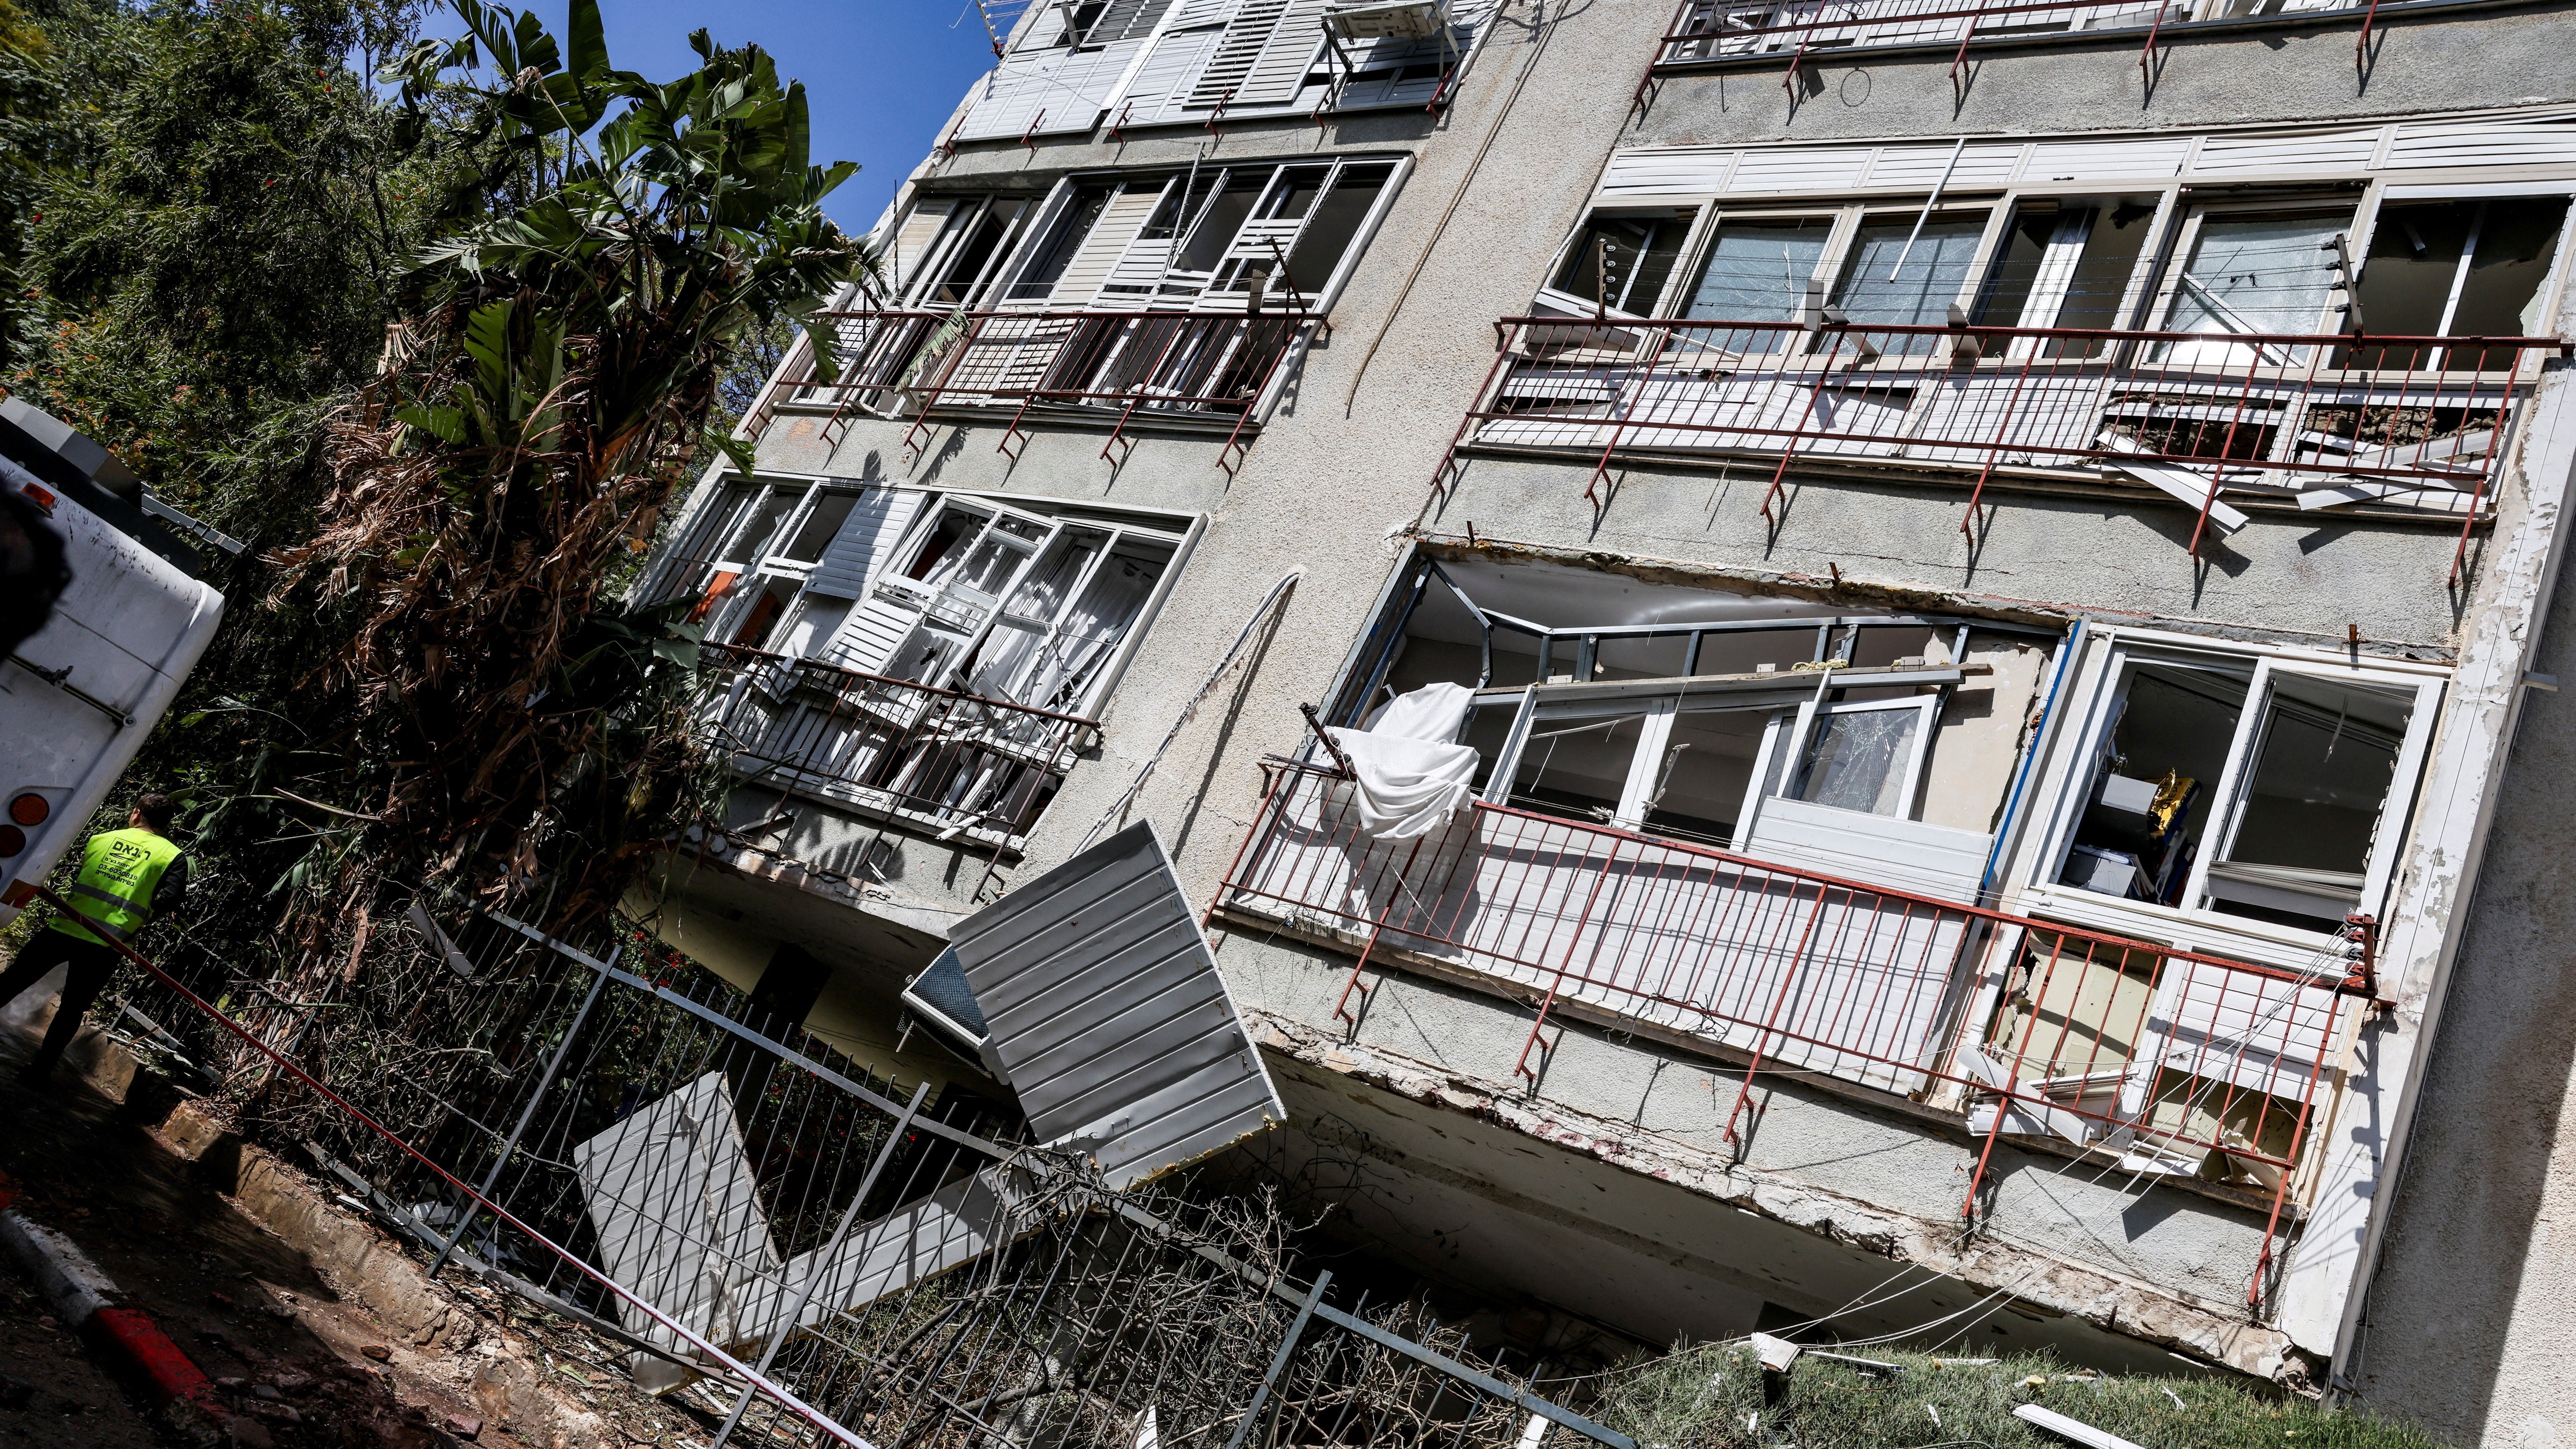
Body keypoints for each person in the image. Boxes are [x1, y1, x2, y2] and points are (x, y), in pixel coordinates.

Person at [0, 793, 188, 1083]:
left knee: (15, 979)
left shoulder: (102, 839)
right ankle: (39, 1072)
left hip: (67, 926)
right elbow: (170, 899)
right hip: (109, 942)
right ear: (167, 823)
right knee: (72, 1009)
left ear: (136, 814)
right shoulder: (173, 857)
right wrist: (143, 915)